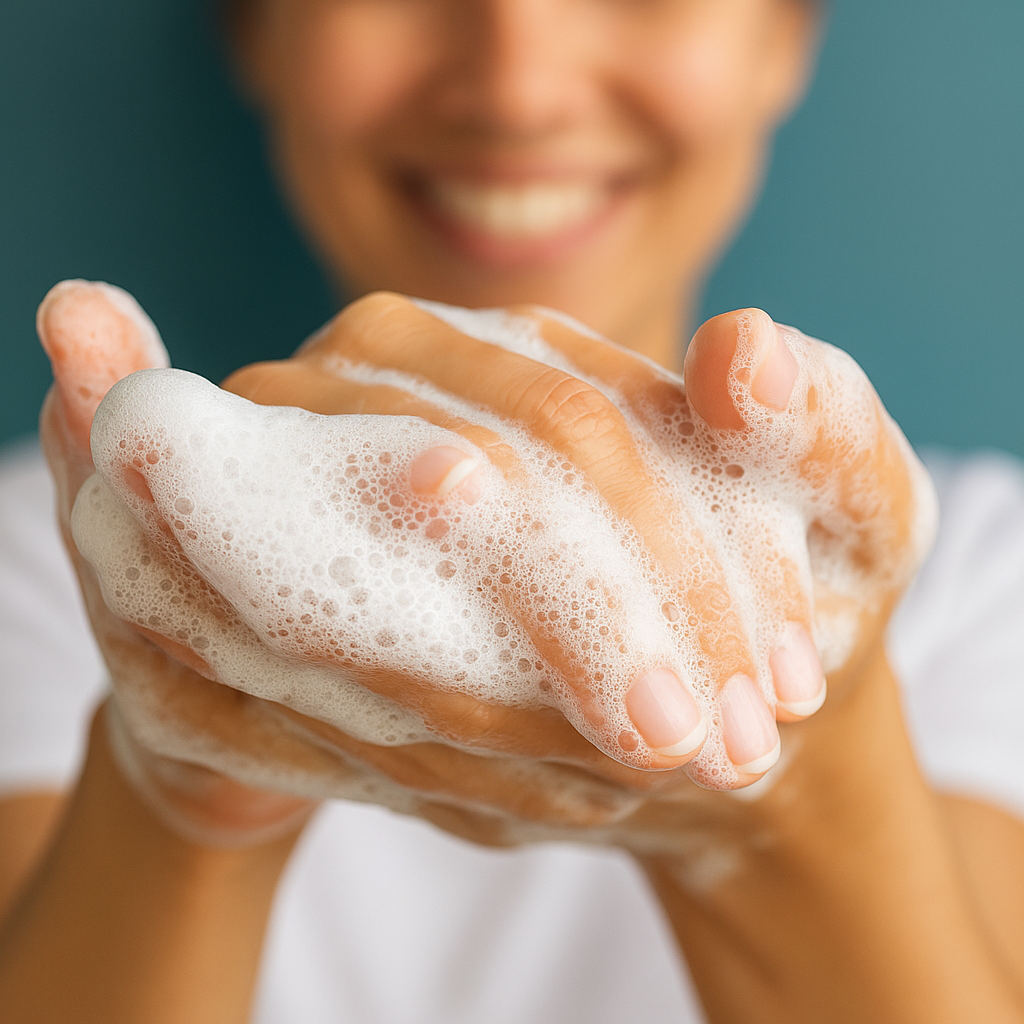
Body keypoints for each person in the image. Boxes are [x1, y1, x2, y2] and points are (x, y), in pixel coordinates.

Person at [2, 1, 1024, 1021]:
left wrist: (786, 808)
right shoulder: (45, 565)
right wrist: (175, 794)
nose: (516, 91)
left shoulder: (986, 577)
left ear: (784, 36)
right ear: (256, 32)